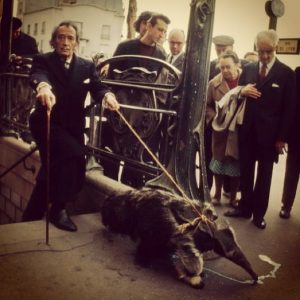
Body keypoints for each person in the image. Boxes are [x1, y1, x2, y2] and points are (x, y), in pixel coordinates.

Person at [22, 21, 119, 232]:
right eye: (60, 37)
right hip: (47, 122)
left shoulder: (87, 65)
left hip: (73, 126)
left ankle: (32, 214)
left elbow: (98, 86)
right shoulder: (43, 60)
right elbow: (38, 75)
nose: (65, 42)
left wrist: (107, 96)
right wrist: (43, 87)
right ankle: (59, 209)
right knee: (73, 155)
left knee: (54, 167)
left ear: (76, 42)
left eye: (70, 38)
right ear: (54, 40)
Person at [224, 29, 296, 229]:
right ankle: (245, 207)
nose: (264, 56)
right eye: (261, 51)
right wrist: (242, 91)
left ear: (276, 47)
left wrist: (282, 138)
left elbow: (289, 109)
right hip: (247, 131)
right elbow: (237, 95)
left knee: (264, 177)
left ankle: (258, 214)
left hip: (271, 137)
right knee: (245, 172)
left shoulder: (286, 74)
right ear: (256, 47)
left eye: (269, 51)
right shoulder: (249, 68)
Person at [105, 13, 170, 187]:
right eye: (159, 29)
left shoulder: (161, 54)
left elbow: (161, 84)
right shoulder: (125, 47)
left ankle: (131, 185)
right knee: (115, 150)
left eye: (165, 31)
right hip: (122, 107)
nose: (162, 34)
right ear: (148, 26)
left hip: (145, 114)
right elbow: (111, 76)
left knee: (138, 153)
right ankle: (109, 186)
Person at [206, 50, 242, 207]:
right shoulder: (214, 84)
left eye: (228, 67)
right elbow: (206, 105)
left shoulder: (246, 80)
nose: (225, 70)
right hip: (220, 131)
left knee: (235, 163)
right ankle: (217, 194)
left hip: (238, 131)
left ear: (237, 65)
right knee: (218, 163)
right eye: (222, 68)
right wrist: (214, 117)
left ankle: (234, 197)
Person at [279, 66, 300, 219]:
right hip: (297, 133)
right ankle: (286, 205)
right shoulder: (298, 73)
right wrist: (284, 135)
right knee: (292, 171)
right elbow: (291, 104)